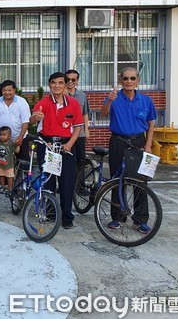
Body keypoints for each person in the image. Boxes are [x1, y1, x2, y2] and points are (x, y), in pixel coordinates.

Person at [100, 67, 156, 234]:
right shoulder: (113, 98)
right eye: (125, 78)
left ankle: (140, 220)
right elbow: (103, 113)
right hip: (118, 142)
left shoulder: (146, 100)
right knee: (117, 180)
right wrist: (109, 101)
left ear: (138, 80)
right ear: (121, 80)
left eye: (132, 78)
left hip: (139, 142)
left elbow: (151, 122)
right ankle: (117, 217)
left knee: (140, 182)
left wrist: (148, 144)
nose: (129, 81)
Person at [30, 72, 83, 230]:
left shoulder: (73, 103)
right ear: (49, 85)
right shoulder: (43, 103)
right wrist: (36, 118)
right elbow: (32, 120)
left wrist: (70, 144)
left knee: (67, 182)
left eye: (60, 83)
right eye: (53, 83)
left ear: (66, 84)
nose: (57, 86)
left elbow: (78, 127)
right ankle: (51, 213)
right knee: (49, 182)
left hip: (66, 146)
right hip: (47, 146)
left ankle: (67, 216)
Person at [0, 80, 31, 191]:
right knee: (1, 161)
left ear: (14, 90)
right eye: (4, 90)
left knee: (22, 161)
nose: (7, 92)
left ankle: (22, 185)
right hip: (2, 139)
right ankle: (2, 185)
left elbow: (25, 121)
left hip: (19, 137)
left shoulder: (22, 102)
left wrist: (21, 136)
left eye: (9, 90)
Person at [65, 69, 91, 175]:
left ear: (77, 81)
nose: (70, 81)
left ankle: (80, 185)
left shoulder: (82, 96)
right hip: (66, 133)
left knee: (80, 159)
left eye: (73, 79)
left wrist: (87, 130)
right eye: (67, 79)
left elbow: (85, 113)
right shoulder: (61, 95)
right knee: (68, 160)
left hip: (79, 133)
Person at [0, 126, 20, 194]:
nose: (1, 136)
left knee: (9, 177)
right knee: (1, 176)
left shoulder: (11, 143)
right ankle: (2, 187)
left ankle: (10, 189)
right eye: (0, 134)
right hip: (0, 164)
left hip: (9, 165)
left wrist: (18, 145)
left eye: (4, 135)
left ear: (9, 136)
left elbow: (17, 151)